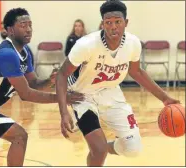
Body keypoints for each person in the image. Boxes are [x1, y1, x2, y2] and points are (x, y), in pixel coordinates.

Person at [56, 0, 180, 166]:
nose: (113, 26)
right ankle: (98, 150)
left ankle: (99, 149)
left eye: (117, 22)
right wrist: (64, 112)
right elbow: (62, 74)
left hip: (111, 93)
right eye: (108, 22)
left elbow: (136, 72)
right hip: (82, 96)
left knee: (133, 148)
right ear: (102, 24)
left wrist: (164, 98)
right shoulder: (86, 45)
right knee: (98, 151)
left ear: (126, 23)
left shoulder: (133, 43)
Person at [0, 8, 83, 167]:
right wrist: (62, 98)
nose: (28, 29)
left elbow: (33, 84)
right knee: (19, 136)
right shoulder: (7, 54)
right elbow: (26, 94)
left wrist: (50, 80)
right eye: (23, 25)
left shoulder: (24, 51)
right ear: (10, 30)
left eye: (30, 25)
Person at [65, 19, 87, 86]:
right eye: (76, 26)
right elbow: (66, 52)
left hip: (84, 62)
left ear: (82, 27)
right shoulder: (70, 38)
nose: (77, 28)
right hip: (74, 62)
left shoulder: (86, 38)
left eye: (79, 26)